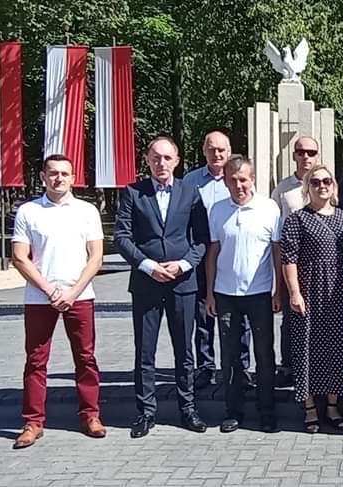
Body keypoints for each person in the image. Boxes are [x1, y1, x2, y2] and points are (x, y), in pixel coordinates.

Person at [115, 136, 210, 438]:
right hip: (146, 284)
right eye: (156, 158)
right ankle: (145, 413)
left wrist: (183, 265)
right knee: (145, 351)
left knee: (185, 351)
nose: (161, 164)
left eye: (167, 158)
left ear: (177, 161)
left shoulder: (191, 192)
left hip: (183, 284)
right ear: (147, 160)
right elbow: (122, 237)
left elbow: (201, 240)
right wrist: (147, 265)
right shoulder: (133, 193)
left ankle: (188, 409)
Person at [10, 154, 105, 449]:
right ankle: (33, 422)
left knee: (85, 358)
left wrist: (73, 292)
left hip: (80, 296)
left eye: (64, 173)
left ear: (73, 177)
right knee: (36, 360)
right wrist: (50, 290)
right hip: (40, 298)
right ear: (43, 176)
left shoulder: (87, 211)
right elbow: (19, 257)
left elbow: (96, 257)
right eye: (53, 173)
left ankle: (90, 415)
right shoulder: (28, 211)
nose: (59, 178)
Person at [204, 155, 281, 434]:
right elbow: (213, 252)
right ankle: (233, 410)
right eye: (233, 180)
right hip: (225, 294)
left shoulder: (269, 209)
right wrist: (210, 294)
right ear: (225, 182)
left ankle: (267, 411)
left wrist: (278, 290)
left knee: (264, 354)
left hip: (259, 292)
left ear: (253, 180)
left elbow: (276, 251)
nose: (239, 185)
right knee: (230, 356)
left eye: (243, 180)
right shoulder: (217, 210)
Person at [281, 164, 343, 433]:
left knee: (335, 348)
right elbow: (288, 258)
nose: (322, 186)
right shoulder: (297, 219)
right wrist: (294, 292)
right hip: (308, 291)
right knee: (307, 349)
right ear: (307, 188)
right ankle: (310, 408)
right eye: (315, 182)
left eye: (327, 181)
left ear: (334, 186)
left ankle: (333, 406)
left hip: (337, 292)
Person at [182, 130, 234, 390]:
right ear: (204, 151)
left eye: (221, 150)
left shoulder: (237, 177)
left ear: (229, 151)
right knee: (203, 315)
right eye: (212, 149)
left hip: (231, 257)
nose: (217, 154)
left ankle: (239, 367)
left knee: (237, 318)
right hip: (201, 256)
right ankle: (205, 366)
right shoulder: (191, 181)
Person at [272, 136, 320, 387]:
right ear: (294, 155)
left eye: (311, 152)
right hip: (291, 261)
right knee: (290, 318)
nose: (306, 156)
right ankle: (289, 365)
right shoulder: (282, 189)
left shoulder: (324, 184)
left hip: (318, 263)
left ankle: (315, 365)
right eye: (301, 152)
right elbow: (275, 232)